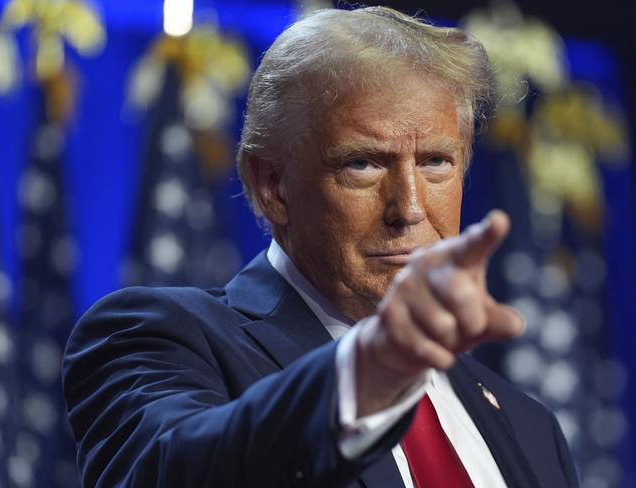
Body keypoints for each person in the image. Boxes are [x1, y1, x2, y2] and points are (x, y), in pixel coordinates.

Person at [63, 6, 578, 487]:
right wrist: (369, 374)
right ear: (272, 186)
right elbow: (172, 468)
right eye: (364, 163)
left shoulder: (531, 427)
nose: (411, 208)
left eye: (436, 162)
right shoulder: (157, 338)